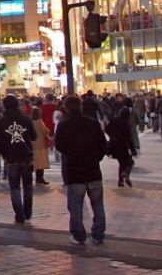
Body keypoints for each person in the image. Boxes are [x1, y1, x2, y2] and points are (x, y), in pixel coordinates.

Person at [54, 95, 108, 246]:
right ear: (81, 106)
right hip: (93, 169)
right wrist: (96, 157)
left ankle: (78, 235)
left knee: (76, 206)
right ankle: (98, 234)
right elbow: (103, 144)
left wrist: (70, 153)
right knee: (97, 204)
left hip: (75, 169)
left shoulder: (64, 125)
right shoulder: (92, 123)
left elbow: (59, 145)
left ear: (66, 107)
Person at [0, 95, 36, 225]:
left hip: (11, 158)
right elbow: (34, 136)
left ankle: (19, 214)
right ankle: (27, 211)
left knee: (14, 187)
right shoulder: (25, 119)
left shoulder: (1, 122)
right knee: (28, 185)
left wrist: (4, 154)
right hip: (26, 156)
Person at [106, 102, 137, 187]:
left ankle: (120, 181)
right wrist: (133, 150)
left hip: (113, 145)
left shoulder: (114, 120)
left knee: (122, 163)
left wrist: (111, 136)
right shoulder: (126, 124)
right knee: (129, 162)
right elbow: (129, 139)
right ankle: (125, 173)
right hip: (122, 146)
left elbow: (106, 129)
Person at [31, 106, 51, 186]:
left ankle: (38, 178)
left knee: (36, 163)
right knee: (41, 163)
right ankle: (40, 178)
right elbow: (45, 131)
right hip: (41, 144)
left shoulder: (31, 121)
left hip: (33, 144)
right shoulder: (39, 122)